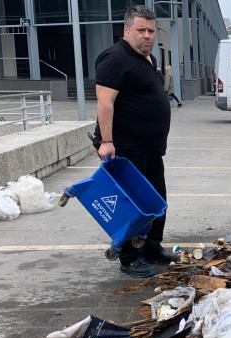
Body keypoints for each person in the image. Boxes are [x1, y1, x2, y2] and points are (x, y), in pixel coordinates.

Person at [94, 5, 178, 278]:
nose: (147, 36)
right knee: (133, 205)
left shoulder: (148, 58)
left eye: (151, 31)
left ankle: (152, 247)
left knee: (156, 201)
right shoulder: (115, 58)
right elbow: (105, 103)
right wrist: (106, 141)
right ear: (127, 30)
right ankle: (130, 257)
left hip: (150, 149)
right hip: (127, 149)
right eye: (141, 30)